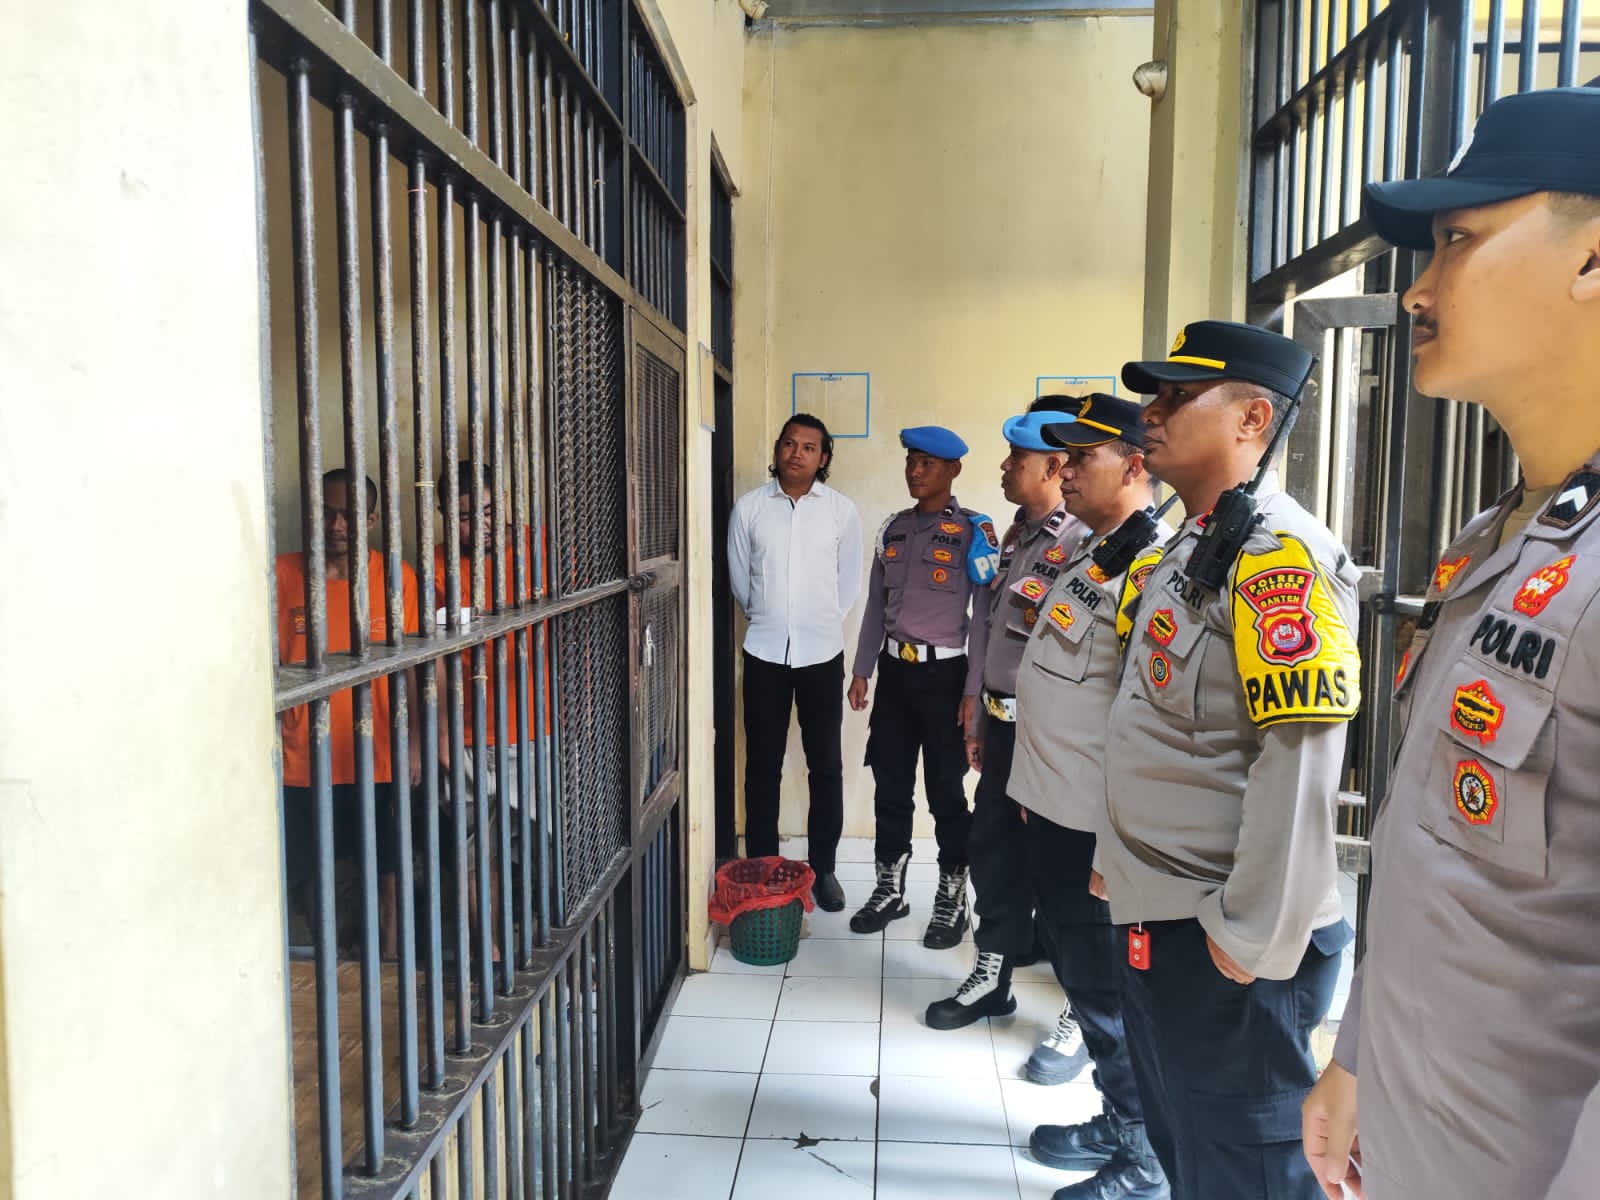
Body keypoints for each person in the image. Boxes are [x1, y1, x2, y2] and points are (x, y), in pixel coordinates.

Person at [1302, 86, 1600, 1200]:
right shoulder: (1500, 538)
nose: (1418, 289)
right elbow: (1437, 852)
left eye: (1459, 239)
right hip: (1418, 1131)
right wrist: (1358, 1056)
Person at [1099, 321, 1359, 1199]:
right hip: (1163, 911)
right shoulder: (1193, 544)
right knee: (1190, 1152)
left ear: (1254, 419)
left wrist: (1247, 939)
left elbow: (1299, 766)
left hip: (1226, 936)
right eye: (1155, 396)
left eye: (1177, 397)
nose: (1151, 412)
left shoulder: (1281, 556)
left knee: (1246, 1171)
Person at [1001, 394, 1171, 1200]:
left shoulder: (1152, 568)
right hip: (1056, 811)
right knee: (1085, 978)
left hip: (1096, 833)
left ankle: (1142, 1156)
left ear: (1134, 465)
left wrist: (1111, 837)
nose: (1064, 472)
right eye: (1062, 458)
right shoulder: (1097, 553)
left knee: (1109, 994)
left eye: (1082, 458)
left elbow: (1145, 719)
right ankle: (1117, 1116)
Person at [924, 401, 1086, 1032]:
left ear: (1054, 467)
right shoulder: (1015, 535)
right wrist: (980, 718)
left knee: (1062, 870)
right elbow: (992, 632)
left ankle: (1081, 1008)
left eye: (1018, 457)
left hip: (1051, 735)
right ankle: (993, 978)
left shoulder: (1082, 542)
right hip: (1004, 725)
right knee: (993, 850)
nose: (1005, 466)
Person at [845, 426, 998, 947]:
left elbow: (983, 620)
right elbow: (875, 606)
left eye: (927, 463)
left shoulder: (974, 531)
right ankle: (890, 888)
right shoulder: (893, 529)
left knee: (946, 792)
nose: (915, 471)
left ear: (954, 469)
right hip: (895, 676)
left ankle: (952, 896)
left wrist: (972, 693)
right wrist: (862, 669)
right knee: (890, 784)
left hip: (945, 679)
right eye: (911, 460)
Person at [277, 468, 422, 956]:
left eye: (349, 515)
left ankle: (390, 975)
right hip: (302, 761)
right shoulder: (280, 576)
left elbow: (416, 668)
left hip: (378, 757)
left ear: (372, 520)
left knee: (389, 875)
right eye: (325, 513)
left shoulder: (396, 578)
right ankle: (337, 977)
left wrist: (415, 746)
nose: (336, 526)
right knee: (320, 883)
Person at [728, 413, 864, 911]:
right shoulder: (749, 509)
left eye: (809, 447)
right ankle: (763, 868)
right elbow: (740, 581)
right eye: (789, 443)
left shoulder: (841, 512)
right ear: (778, 449)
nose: (797, 453)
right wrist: (769, 617)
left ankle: (823, 869)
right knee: (762, 765)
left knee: (825, 765)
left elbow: (848, 583)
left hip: (821, 654)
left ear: (823, 457)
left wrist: (819, 622)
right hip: (764, 651)